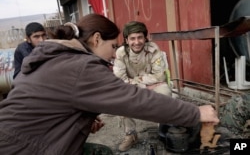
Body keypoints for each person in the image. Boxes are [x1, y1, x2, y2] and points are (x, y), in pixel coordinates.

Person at [0, 14, 219, 155]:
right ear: (96, 39)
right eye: (113, 46)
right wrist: (195, 112)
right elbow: (134, 99)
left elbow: (45, 102)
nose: (115, 54)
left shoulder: (55, 57)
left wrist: (81, 117)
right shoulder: (81, 66)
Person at [113, 21, 173, 151]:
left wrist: (134, 81)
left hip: (147, 84)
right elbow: (120, 80)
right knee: (119, 97)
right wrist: (144, 85)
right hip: (136, 87)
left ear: (145, 37)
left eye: (140, 37)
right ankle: (131, 134)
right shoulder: (121, 53)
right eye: (132, 38)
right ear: (126, 40)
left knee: (165, 92)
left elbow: (159, 76)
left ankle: (164, 130)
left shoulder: (153, 49)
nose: (137, 42)